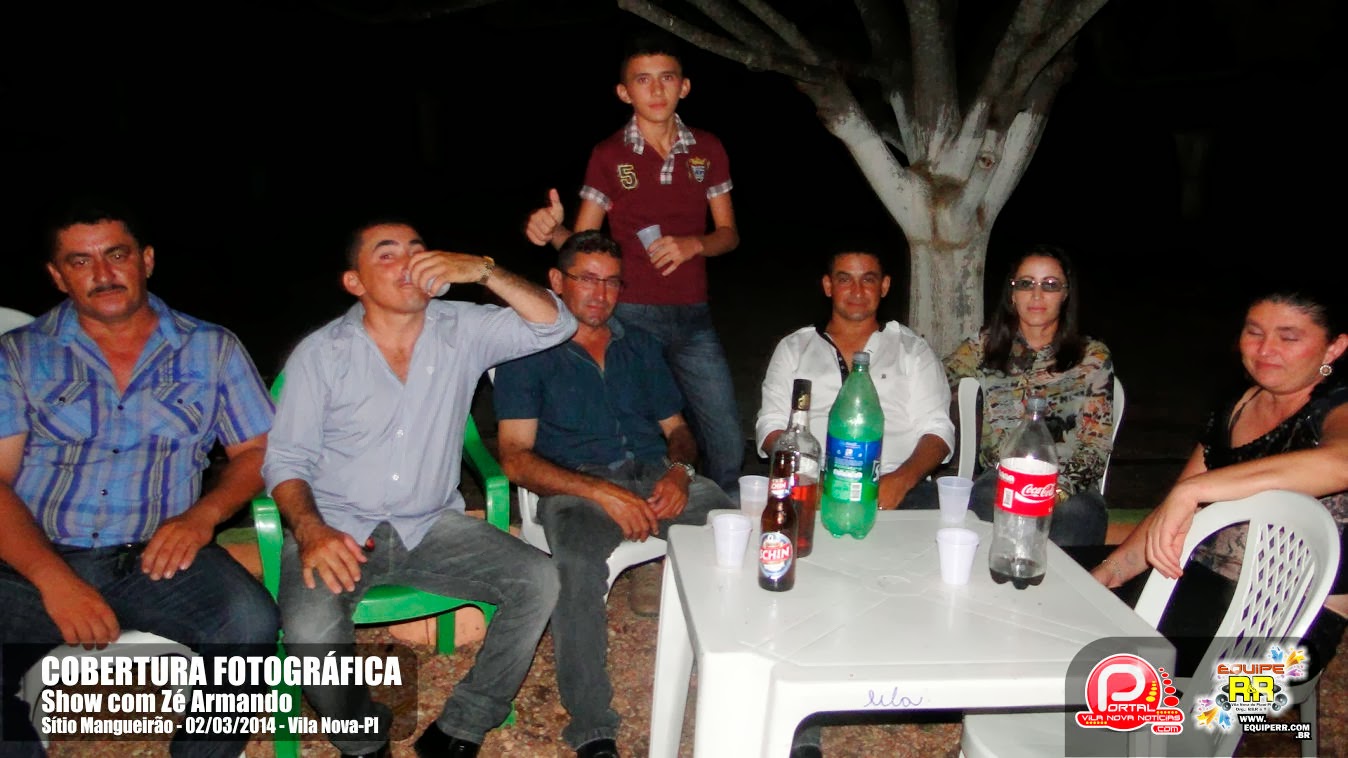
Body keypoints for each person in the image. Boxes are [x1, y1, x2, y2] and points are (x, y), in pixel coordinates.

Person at [262, 218, 575, 758]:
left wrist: (483, 271)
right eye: (387, 254)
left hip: (431, 524)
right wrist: (311, 530)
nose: (408, 262)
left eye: (417, 250)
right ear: (354, 282)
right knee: (310, 638)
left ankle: (462, 727)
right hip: (337, 527)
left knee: (540, 578)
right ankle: (363, 736)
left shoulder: (463, 328)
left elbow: (556, 324)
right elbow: (286, 459)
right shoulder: (321, 354)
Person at [0, 199, 278, 757]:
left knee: (250, 626)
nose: (103, 274)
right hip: (37, 557)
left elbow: (258, 451)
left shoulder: (211, 348)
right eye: (80, 262)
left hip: (159, 554)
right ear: (57, 276)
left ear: (146, 260)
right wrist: (55, 582)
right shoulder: (20, 355)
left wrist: (202, 517)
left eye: (117, 255)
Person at [494, 231, 733, 758]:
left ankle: (744, 675)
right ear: (556, 282)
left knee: (737, 532)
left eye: (611, 282)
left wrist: (680, 471)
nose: (600, 294)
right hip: (575, 486)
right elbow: (515, 457)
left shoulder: (638, 345)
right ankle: (592, 727)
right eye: (586, 279)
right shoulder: (526, 351)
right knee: (576, 566)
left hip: (654, 478)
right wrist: (601, 492)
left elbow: (677, 429)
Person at [523, 34, 743, 496]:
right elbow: (582, 243)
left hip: (693, 316)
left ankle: (719, 512)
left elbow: (728, 234)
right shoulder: (609, 155)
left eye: (667, 78)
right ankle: (641, 507)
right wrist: (551, 231)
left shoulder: (707, 149)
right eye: (643, 80)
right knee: (640, 429)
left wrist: (694, 244)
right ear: (625, 92)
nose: (656, 90)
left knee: (725, 434)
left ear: (684, 86)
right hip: (630, 315)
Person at [1091, 286, 1348, 676]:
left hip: (1293, 619)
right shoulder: (1238, 406)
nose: (1265, 349)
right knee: (1069, 607)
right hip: (1203, 580)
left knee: (1119, 665)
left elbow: (1341, 462)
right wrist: (1111, 570)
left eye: (1288, 337)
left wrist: (1196, 489)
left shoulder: (1337, 407)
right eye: (1254, 332)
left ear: (1333, 348)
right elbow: (1171, 513)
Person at [755, 249, 955, 510]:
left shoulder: (911, 349)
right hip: (811, 480)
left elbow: (938, 429)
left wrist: (902, 479)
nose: (857, 291)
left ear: (884, 286)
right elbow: (770, 425)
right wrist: (805, 475)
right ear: (828, 286)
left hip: (896, 481)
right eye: (845, 279)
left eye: (868, 279)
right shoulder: (795, 348)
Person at [943, 245, 1113, 546]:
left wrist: (1055, 490)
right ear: (1012, 294)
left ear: (1065, 294)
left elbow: (1095, 445)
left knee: (1076, 521)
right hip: (1001, 478)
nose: (1037, 295)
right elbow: (934, 382)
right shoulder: (984, 347)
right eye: (1026, 284)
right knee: (986, 509)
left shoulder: (1091, 357)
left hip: (1069, 483)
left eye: (1050, 285)